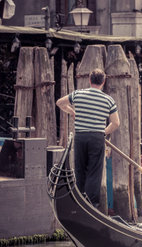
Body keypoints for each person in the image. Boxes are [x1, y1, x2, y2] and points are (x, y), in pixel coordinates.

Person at [56, 68, 120, 207]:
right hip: (97, 138)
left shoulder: (78, 94)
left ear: (89, 80)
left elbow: (60, 103)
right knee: (94, 172)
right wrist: (103, 131)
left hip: (81, 136)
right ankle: (91, 205)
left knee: (79, 170)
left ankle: (79, 202)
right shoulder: (108, 100)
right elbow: (116, 123)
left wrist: (72, 111)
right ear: (103, 82)